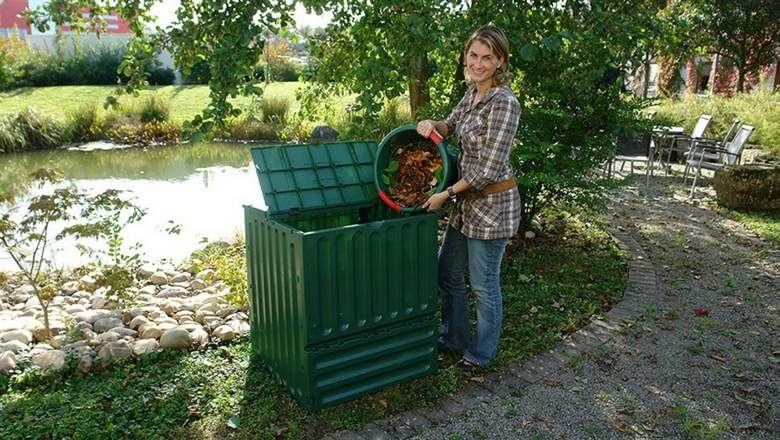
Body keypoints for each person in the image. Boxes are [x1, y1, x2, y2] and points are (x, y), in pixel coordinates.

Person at [416, 25, 521, 370]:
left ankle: (480, 352)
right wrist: (431, 125)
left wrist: (444, 194)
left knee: (484, 285)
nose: (477, 63)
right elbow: (450, 125)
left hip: (491, 208)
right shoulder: (472, 93)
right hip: (466, 205)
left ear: (500, 61)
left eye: (486, 57)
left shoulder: (504, 103)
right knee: (446, 271)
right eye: (473, 55)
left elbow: (487, 170)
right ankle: (454, 336)